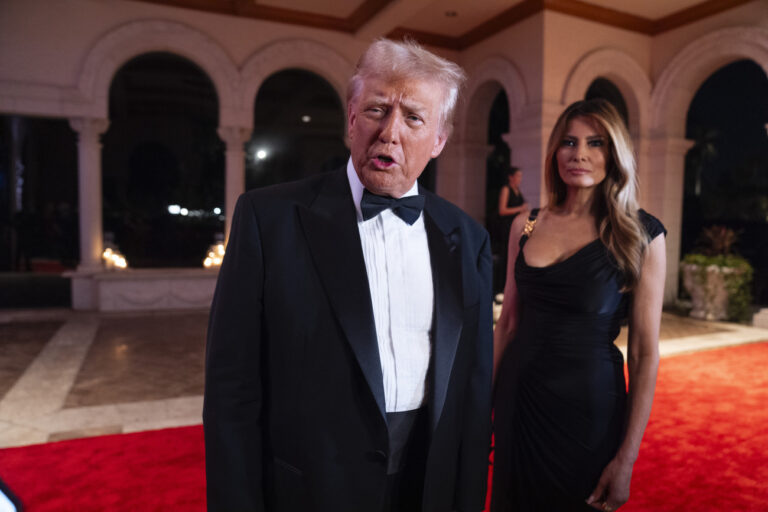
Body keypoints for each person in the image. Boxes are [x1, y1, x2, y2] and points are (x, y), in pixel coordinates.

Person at [203, 39, 493, 512]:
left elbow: (474, 395)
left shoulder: (469, 240)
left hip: (426, 486)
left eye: (414, 117)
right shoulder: (267, 220)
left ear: (439, 139)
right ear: (352, 116)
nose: (390, 132)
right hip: (311, 489)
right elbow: (231, 394)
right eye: (378, 109)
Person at [491, 99, 666, 512]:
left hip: (589, 410)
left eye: (595, 143)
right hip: (519, 402)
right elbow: (508, 326)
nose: (579, 154)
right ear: (555, 151)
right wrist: (482, 409)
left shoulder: (640, 234)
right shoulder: (526, 223)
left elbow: (643, 353)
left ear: (615, 154)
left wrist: (627, 458)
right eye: (569, 141)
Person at [495, 166, 528, 290]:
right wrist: (520, 209)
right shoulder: (506, 189)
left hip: (516, 227)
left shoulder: (518, 190)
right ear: (511, 177)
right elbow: (502, 210)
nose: (520, 179)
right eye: (518, 176)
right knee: (506, 255)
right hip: (506, 227)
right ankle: (501, 287)